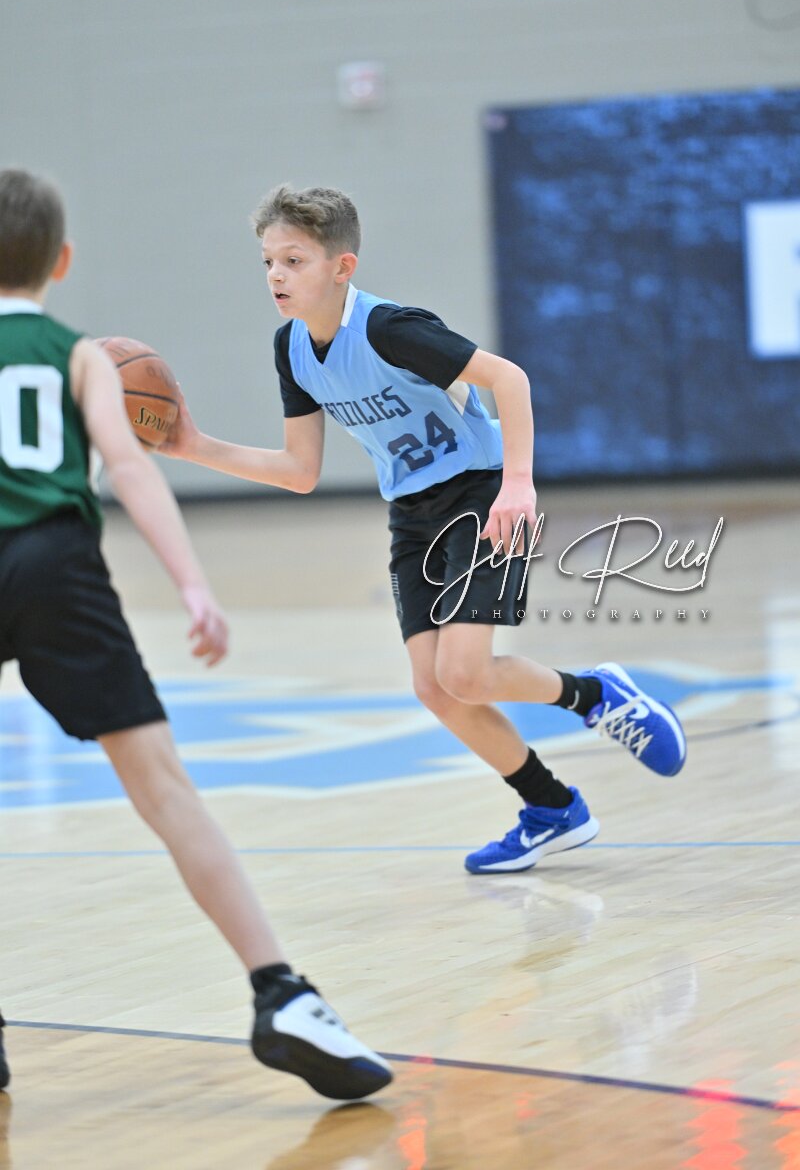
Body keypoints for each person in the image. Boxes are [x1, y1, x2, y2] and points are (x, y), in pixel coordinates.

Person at [0, 168, 392, 1101]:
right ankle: (280, 995)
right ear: (62, 261)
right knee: (165, 790)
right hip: (56, 565)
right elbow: (132, 471)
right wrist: (192, 585)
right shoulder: (79, 356)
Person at [164, 183, 687, 877]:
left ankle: (597, 695)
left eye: (293, 260)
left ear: (342, 267)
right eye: (268, 262)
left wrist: (519, 484)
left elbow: (510, 379)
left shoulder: (391, 329)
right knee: (436, 687)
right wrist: (192, 446)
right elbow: (300, 470)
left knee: (465, 671)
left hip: (481, 492)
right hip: (412, 515)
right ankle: (552, 808)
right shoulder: (291, 349)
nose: (276, 276)